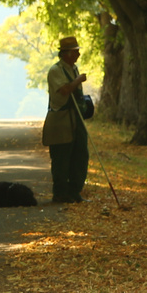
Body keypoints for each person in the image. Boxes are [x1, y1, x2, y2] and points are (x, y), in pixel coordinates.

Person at [41, 36, 90, 203]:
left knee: (80, 155)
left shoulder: (73, 68)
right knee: (62, 157)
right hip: (61, 120)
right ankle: (60, 193)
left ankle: (74, 192)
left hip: (76, 119)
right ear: (67, 53)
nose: (78, 54)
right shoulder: (55, 71)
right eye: (76, 51)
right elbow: (64, 90)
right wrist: (78, 81)